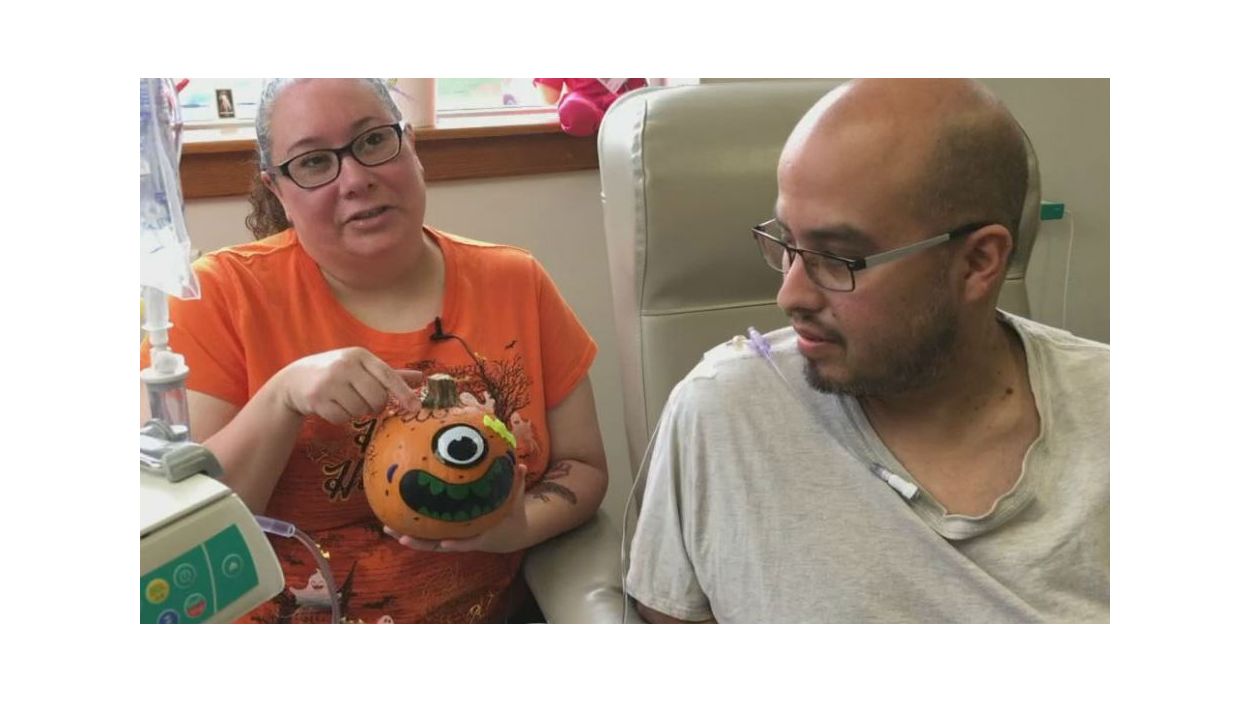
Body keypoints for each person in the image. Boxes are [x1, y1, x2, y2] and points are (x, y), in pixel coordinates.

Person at [625, 79, 1109, 623]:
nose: (789, 296)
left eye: (838, 259)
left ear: (978, 262)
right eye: (786, 243)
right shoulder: (723, 416)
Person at [140, 78, 609, 623]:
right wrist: (282, 397)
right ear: (278, 190)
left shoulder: (515, 281)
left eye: (373, 141)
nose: (356, 179)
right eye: (313, 162)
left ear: (411, 147)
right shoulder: (217, 296)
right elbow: (186, 536)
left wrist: (519, 527)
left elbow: (583, 466)